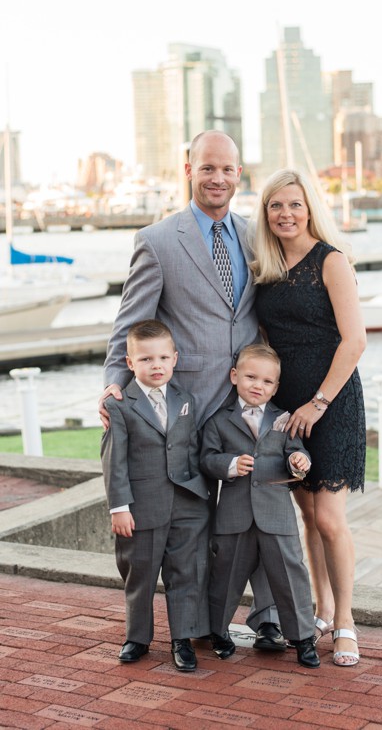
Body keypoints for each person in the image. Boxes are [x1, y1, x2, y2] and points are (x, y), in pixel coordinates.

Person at [100, 129, 287, 653]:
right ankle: (205, 621)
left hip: (246, 398)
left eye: (227, 169)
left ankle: (269, 617)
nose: (218, 178)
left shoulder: (257, 236)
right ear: (189, 170)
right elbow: (130, 325)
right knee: (198, 524)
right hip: (189, 402)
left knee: (263, 504)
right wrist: (114, 385)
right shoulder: (158, 241)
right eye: (208, 168)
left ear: (239, 175)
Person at [251, 168, 367, 667]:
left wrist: (318, 402)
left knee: (329, 517)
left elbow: (355, 340)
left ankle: (346, 619)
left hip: (331, 402)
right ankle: (319, 607)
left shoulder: (331, 260)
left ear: (310, 208)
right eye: (276, 206)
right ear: (266, 213)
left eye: (295, 205)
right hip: (286, 407)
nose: (286, 214)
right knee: (305, 516)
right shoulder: (267, 265)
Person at [200, 344, 320, 668]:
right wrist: (229, 464)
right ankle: (218, 632)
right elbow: (207, 458)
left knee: (291, 576)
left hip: (276, 515)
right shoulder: (219, 420)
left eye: (267, 382)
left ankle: (303, 639)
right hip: (235, 514)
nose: (258, 386)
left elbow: (298, 452)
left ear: (276, 387)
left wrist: (299, 461)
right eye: (251, 377)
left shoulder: (284, 419)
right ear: (234, 376)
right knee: (225, 576)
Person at [101, 319, 210, 672]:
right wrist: (120, 507)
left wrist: (200, 493)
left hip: (187, 503)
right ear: (130, 363)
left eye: (163, 357)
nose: (157, 365)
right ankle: (137, 637)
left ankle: (182, 638)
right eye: (146, 359)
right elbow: (114, 460)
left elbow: (191, 448)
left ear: (175, 358)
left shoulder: (185, 399)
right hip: (142, 506)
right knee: (140, 573)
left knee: (185, 573)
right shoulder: (120, 405)